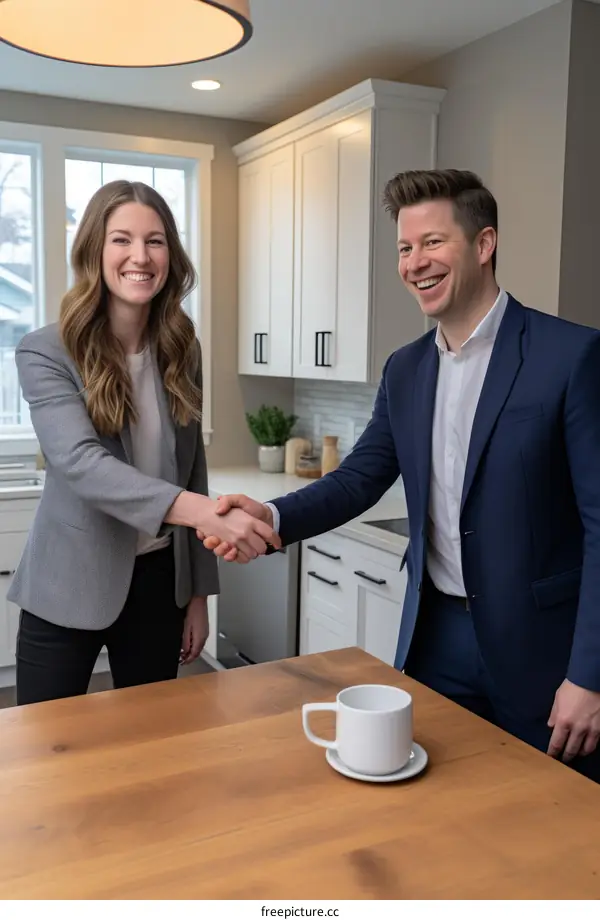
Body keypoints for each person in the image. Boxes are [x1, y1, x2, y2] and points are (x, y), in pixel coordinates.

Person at [203, 168, 600, 782]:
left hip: (541, 653)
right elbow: (360, 477)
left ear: (484, 244)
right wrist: (274, 517)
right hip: (434, 638)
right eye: (405, 248)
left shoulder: (570, 356)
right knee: (431, 806)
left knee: (548, 824)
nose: (416, 262)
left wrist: (590, 675)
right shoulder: (407, 369)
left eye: (433, 243)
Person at [9, 180, 279, 706]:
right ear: (94, 250)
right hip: (67, 582)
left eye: (155, 241)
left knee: (152, 742)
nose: (140, 256)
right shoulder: (46, 350)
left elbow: (191, 465)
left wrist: (198, 596)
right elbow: (81, 464)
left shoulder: (182, 347)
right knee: (43, 751)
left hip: (158, 584)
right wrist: (204, 513)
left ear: (170, 255)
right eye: (121, 240)